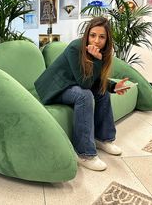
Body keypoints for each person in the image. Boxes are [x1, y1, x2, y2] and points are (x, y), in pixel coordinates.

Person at [34, 17, 130, 171]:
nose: (96, 40)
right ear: (87, 35)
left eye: (102, 37)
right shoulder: (75, 48)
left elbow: (95, 79)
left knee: (102, 91)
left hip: (72, 83)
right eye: (93, 35)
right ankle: (84, 154)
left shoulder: (101, 52)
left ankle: (103, 138)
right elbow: (85, 84)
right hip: (54, 87)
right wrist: (96, 60)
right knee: (84, 95)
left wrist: (113, 86)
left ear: (107, 39)